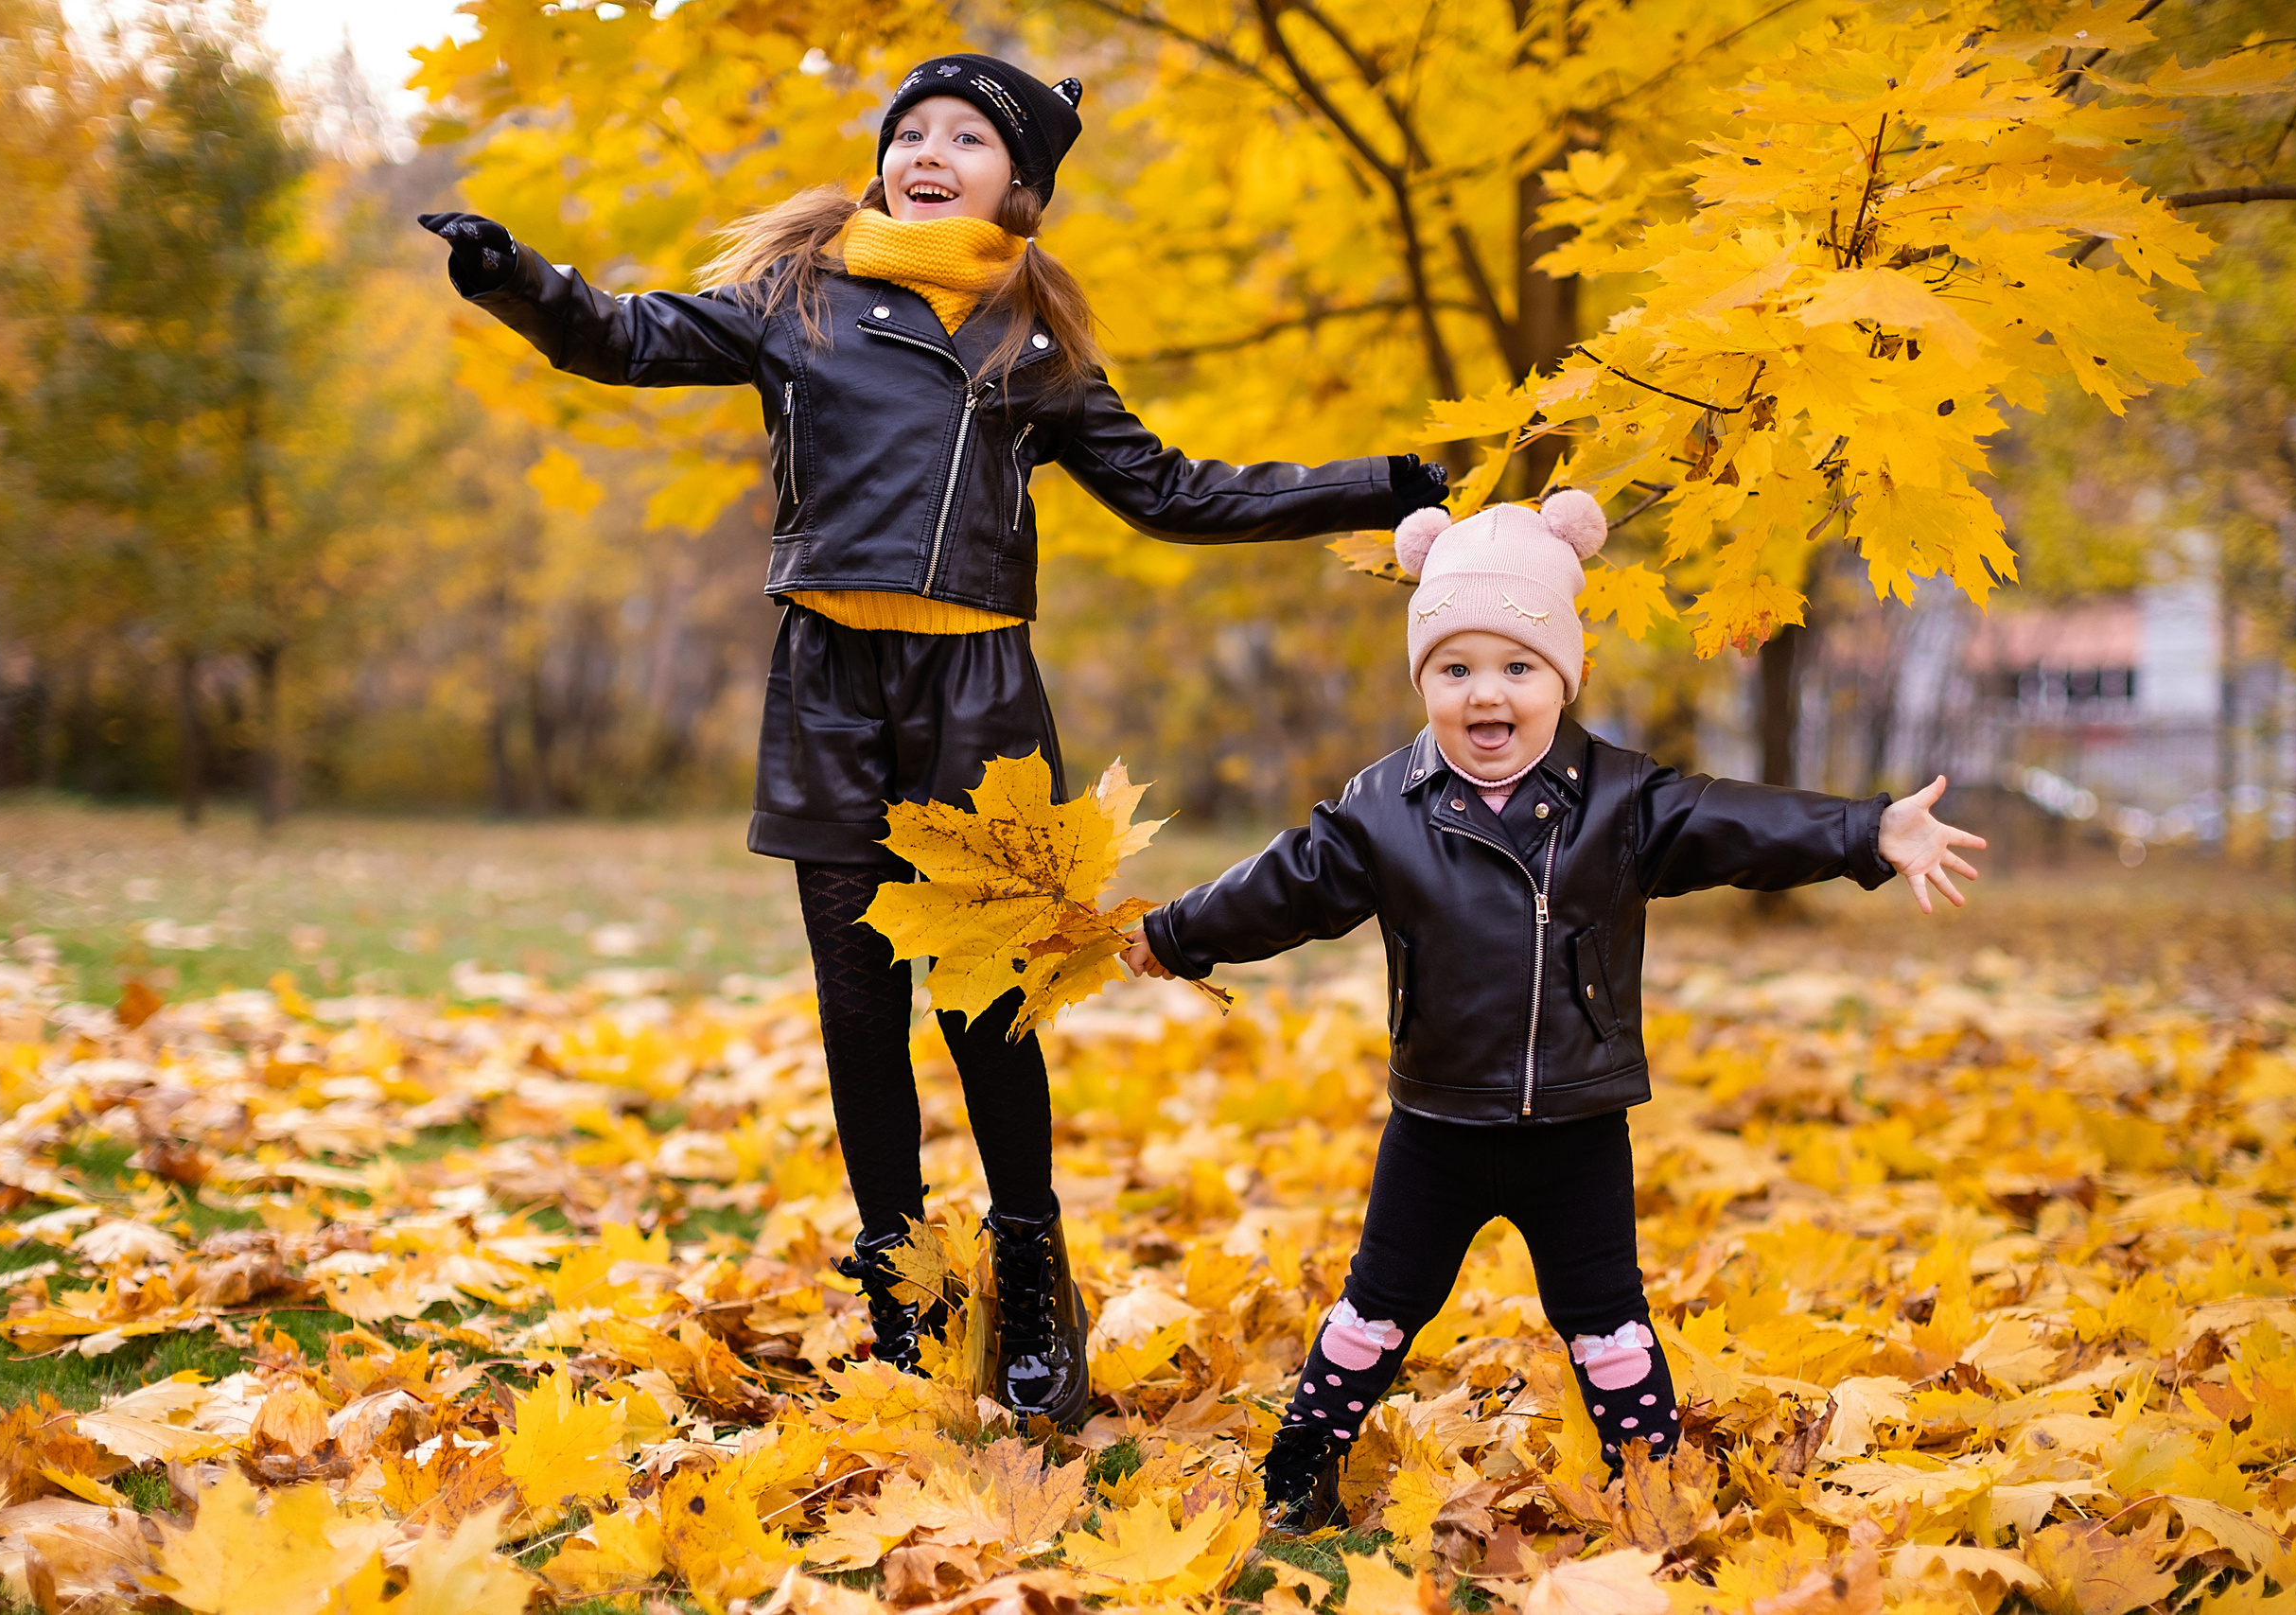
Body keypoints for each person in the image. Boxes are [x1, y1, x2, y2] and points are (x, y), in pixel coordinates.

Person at [416, 53, 1450, 1431]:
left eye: (967, 136)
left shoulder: (1034, 347)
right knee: (861, 1015)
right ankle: (903, 1284)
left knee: (985, 1018)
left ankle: (1031, 1269)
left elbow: (1177, 493)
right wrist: (510, 276)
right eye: (912, 130)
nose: (928, 150)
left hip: (977, 706)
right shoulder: (797, 302)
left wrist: (1381, 485)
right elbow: (624, 337)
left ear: (1019, 185)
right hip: (830, 694)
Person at [1122, 492, 1987, 1527]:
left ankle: (1650, 1490)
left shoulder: (1620, 803)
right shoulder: (1382, 808)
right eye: (1455, 670)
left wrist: (1864, 832)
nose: (1486, 694)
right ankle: (1300, 1471)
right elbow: (1283, 885)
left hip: (1576, 1128)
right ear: (1426, 681)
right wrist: (1175, 933)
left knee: (1606, 1323)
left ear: (1561, 679)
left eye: (1516, 668)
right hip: (1436, 1125)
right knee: (1375, 1311)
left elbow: (1735, 824)